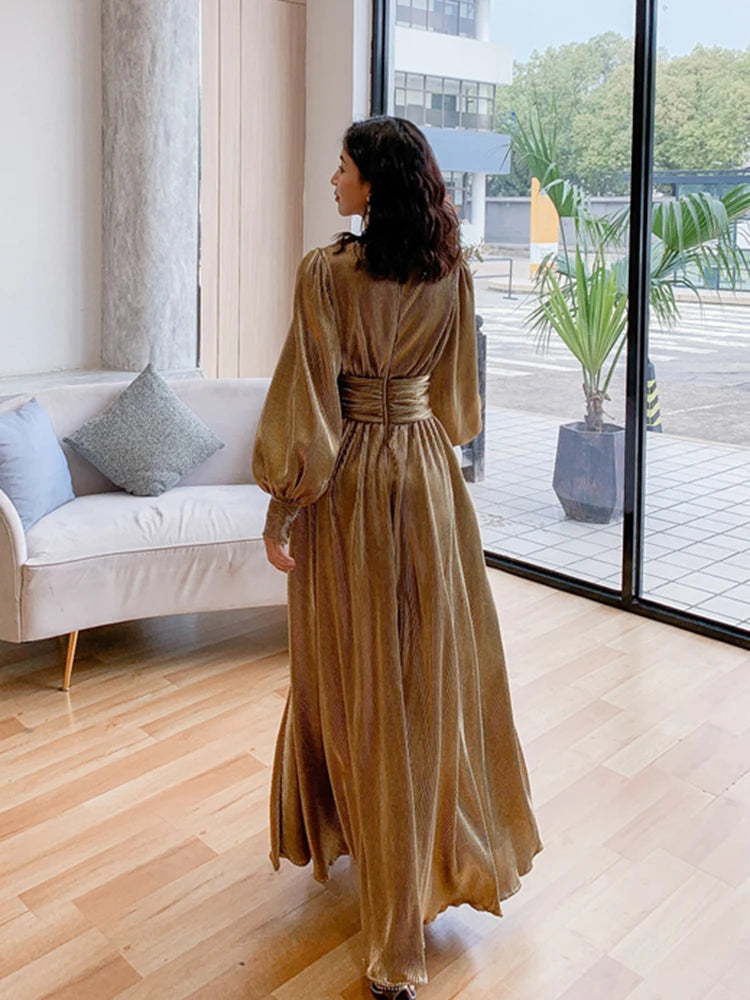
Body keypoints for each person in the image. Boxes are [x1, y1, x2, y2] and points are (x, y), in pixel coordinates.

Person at [253, 116, 541, 1000]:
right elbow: (458, 406)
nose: (332, 180)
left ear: (373, 182)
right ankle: (425, 856)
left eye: (341, 167)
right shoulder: (451, 271)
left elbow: (310, 403)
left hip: (347, 486)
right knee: (426, 679)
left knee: (353, 675)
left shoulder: (325, 273)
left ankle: (379, 890)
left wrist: (281, 506)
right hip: (426, 480)